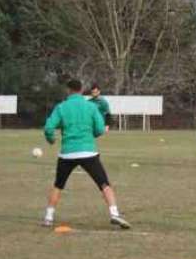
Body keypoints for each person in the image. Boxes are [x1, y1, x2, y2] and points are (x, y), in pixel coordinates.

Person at [41, 79, 130, 229]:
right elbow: (100, 129)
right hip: (88, 151)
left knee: (58, 185)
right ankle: (114, 214)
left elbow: (49, 128)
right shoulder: (90, 106)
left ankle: (48, 217)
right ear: (82, 90)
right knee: (104, 185)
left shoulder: (61, 107)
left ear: (68, 90)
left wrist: (51, 140)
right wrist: (90, 136)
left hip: (67, 153)